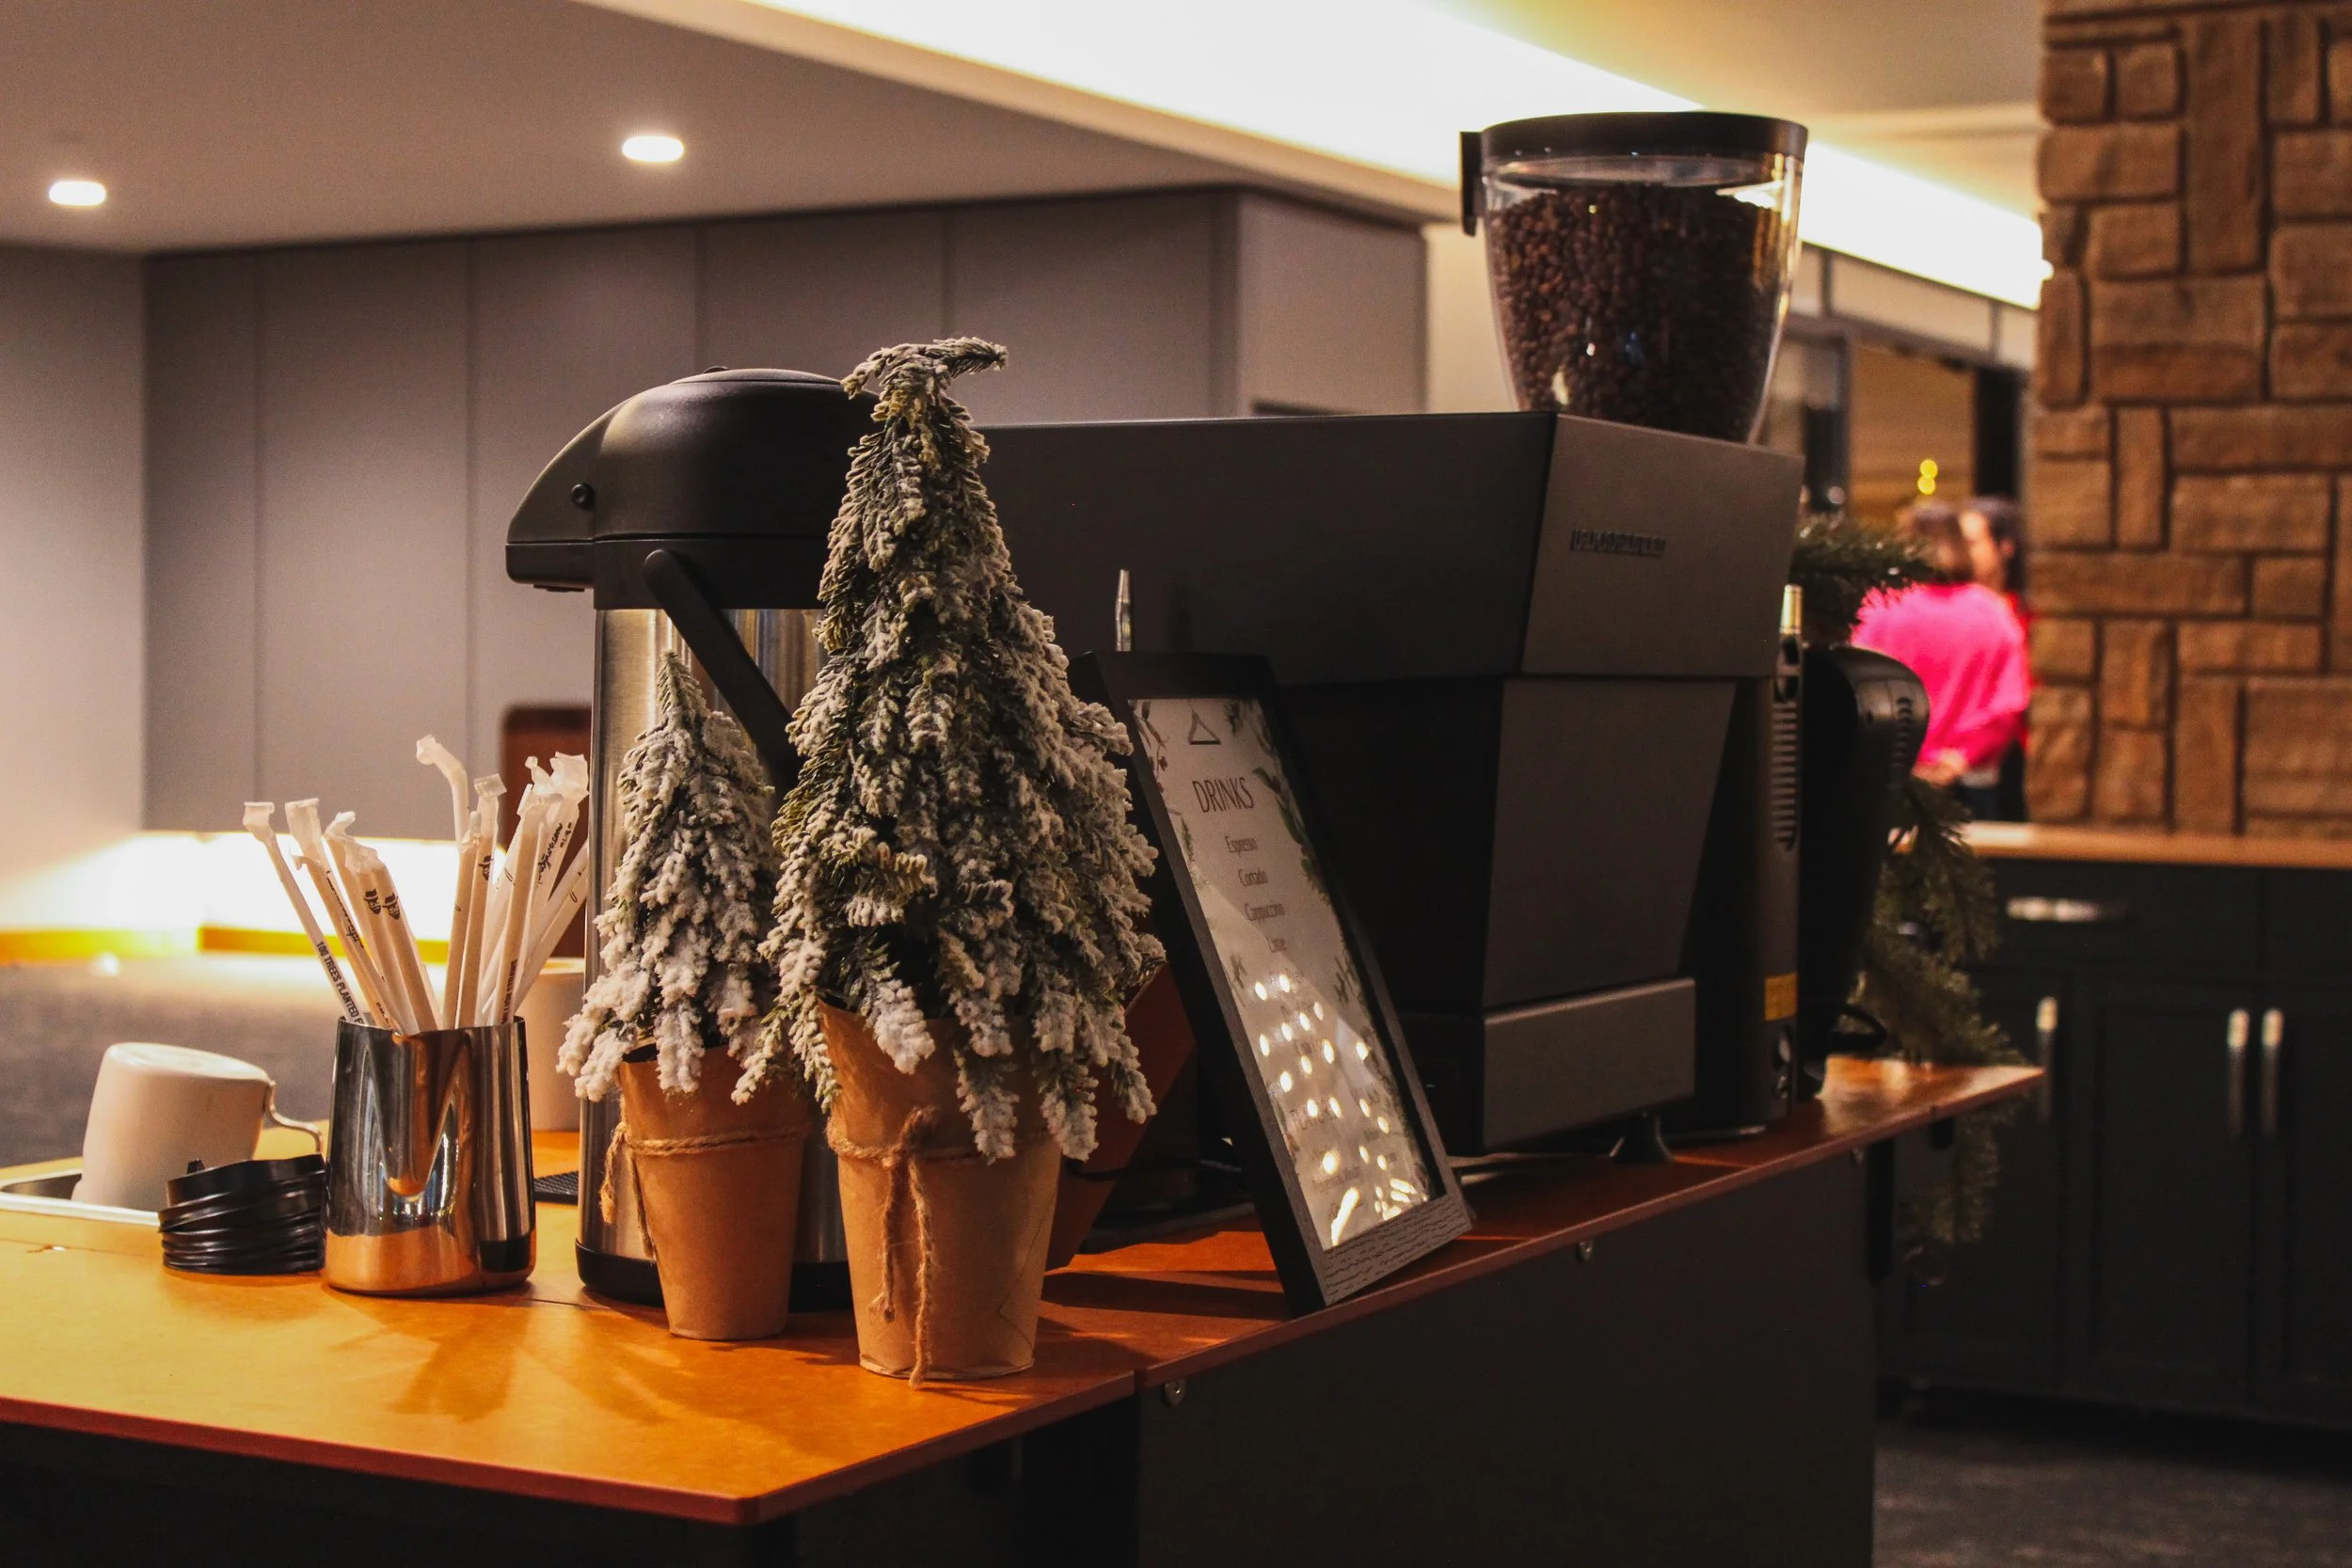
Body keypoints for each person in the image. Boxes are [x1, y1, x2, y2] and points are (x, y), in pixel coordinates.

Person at [1852, 500, 2030, 820]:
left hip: (1891, 779)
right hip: (1971, 782)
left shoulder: (1877, 610)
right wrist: (1962, 756)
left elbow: (1857, 694)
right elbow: (2009, 704)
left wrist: (1905, 754)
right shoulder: (1994, 613)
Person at [1959, 495, 2030, 818]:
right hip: (1956, 763)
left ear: (2005, 547)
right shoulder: (1950, 614)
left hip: (2015, 759)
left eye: (1972, 542)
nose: (1963, 552)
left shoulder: (2026, 616)